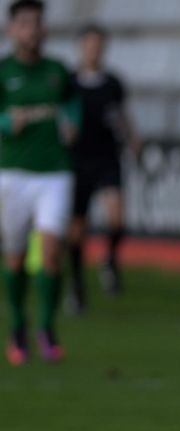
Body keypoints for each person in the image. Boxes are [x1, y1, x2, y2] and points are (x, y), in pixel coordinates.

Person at [1, 0, 78, 366]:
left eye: (36, 23)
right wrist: (5, 123)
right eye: (24, 23)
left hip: (54, 173)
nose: (32, 30)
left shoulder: (57, 70)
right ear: (11, 30)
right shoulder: (3, 72)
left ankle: (46, 326)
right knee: (15, 258)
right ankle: (18, 325)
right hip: (12, 173)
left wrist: (72, 122)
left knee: (49, 252)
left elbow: (73, 101)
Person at [65, 22, 140, 313]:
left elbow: (121, 115)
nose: (94, 49)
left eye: (98, 44)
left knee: (117, 217)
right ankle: (77, 286)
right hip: (77, 160)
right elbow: (61, 115)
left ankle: (109, 260)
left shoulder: (113, 83)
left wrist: (132, 137)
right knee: (77, 229)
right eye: (89, 44)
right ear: (81, 47)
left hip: (107, 157)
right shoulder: (68, 82)